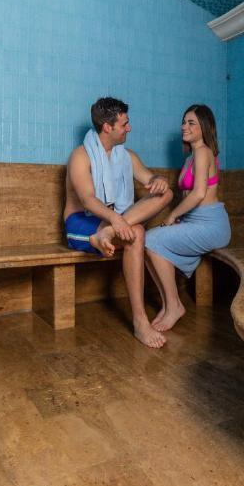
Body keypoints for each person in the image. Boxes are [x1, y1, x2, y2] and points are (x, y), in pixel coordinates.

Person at [63, 97, 173, 348]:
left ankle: (139, 320)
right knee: (136, 232)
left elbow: (150, 179)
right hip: (81, 223)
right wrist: (115, 219)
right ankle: (141, 321)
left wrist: (158, 179)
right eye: (124, 124)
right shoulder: (80, 156)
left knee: (164, 195)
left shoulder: (127, 156)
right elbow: (88, 200)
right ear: (107, 127)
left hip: (109, 223)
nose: (129, 128)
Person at [144, 104, 231, 332]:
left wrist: (173, 215)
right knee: (146, 243)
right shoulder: (190, 158)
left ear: (205, 127)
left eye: (191, 123)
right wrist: (181, 219)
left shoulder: (203, 152)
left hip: (211, 225)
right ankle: (169, 304)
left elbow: (199, 193)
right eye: (184, 122)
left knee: (150, 240)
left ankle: (174, 306)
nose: (184, 126)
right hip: (194, 222)